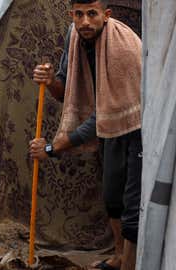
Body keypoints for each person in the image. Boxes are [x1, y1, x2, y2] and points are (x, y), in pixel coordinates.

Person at [30, 1, 142, 270]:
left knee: (132, 202)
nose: (85, 22)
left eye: (92, 14)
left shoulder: (122, 47)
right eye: (79, 15)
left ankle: (130, 264)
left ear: (106, 15)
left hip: (138, 124)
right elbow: (63, 89)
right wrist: (49, 81)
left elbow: (101, 115)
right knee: (112, 195)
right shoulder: (75, 37)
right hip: (110, 128)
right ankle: (118, 257)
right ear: (72, 15)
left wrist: (51, 149)